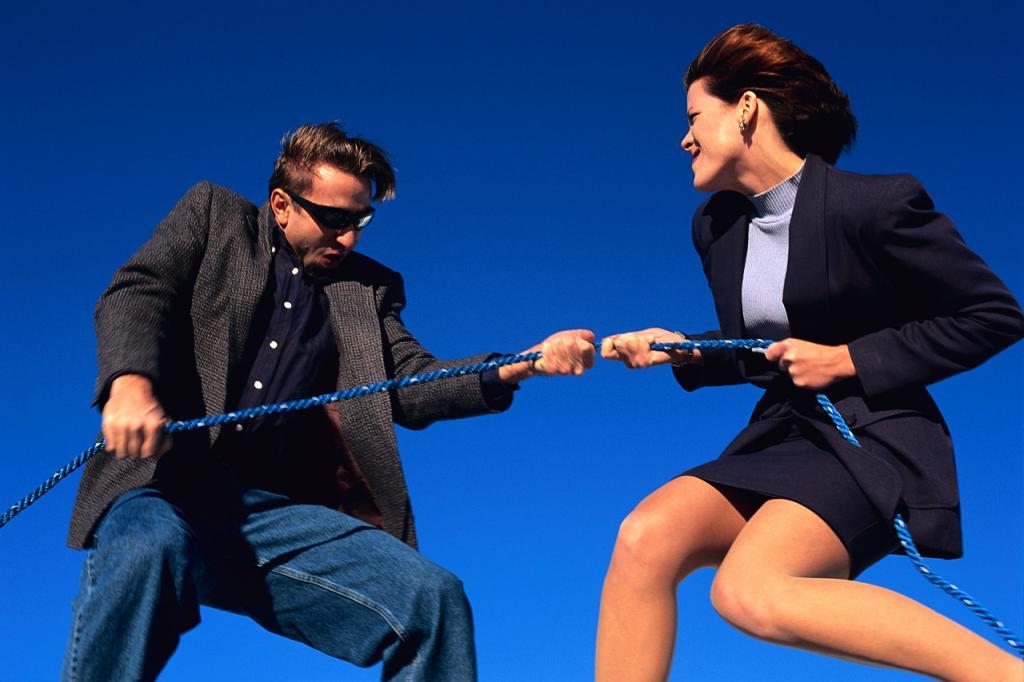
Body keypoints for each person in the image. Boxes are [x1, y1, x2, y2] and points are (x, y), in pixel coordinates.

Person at [61, 122, 595, 681]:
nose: (348, 239)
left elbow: (408, 382)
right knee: (148, 548)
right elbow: (139, 290)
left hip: (271, 514)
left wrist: (521, 364)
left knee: (431, 598)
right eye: (334, 220)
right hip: (162, 484)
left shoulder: (367, 289)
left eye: (360, 221)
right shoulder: (213, 216)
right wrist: (130, 386)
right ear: (281, 204)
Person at [596, 24, 1024, 681]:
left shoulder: (874, 205)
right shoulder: (717, 227)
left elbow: (993, 315)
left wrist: (847, 358)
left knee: (748, 591)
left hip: (869, 438)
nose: (684, 138)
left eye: (694, 117)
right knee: (644, 535)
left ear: (746, 108)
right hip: (783, 435)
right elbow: (766, 349)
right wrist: (684, 351)